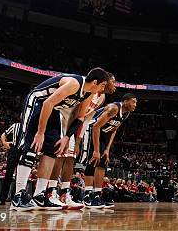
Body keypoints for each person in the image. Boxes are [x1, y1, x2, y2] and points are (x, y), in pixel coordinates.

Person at [11, 68, 113, 211]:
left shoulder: (89, 93)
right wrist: (40, 132)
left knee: (53, 150)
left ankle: (39, 196)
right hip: (38, 102)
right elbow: (47, 103)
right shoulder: (74, 83)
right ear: (95, 82)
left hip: (54, 109)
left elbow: (80, 118)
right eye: (103, 85)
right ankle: (18, 196)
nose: (104, 88)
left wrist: (66, 137)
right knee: (31, 147)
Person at [53, 77, 113, 209]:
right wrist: (68, 136)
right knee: (60, 156)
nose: (114, 85)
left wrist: (78, 140)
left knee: (70, 159)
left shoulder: (101, 98)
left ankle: (64, 194)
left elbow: (86, 119)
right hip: (62, 118)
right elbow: (75, 113)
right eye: (112, 82)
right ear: (104, 82)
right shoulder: (90, 91)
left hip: (75, 125)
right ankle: (50, 192)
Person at [80, 93, 137, 209]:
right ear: (125, 101)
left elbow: (114, 130)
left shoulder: (126, 114)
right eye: (133, 102)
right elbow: (96, 126)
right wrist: (96, 150)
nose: (135, 105)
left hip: (104, 134)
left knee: (102, 164)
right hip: (92, 130)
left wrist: (107, 148)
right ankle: (87, 196)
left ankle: (97, 195)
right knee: (93, 162)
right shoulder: (114, 108)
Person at [0, 122, 20, 205]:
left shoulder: (31, 126)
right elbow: (3, 134)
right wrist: (4, 143)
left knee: (20, 177)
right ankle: (2, 198)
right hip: (14, 149)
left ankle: (14, 198)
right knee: (8, 175)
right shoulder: (16, 125)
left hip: (24, 151)